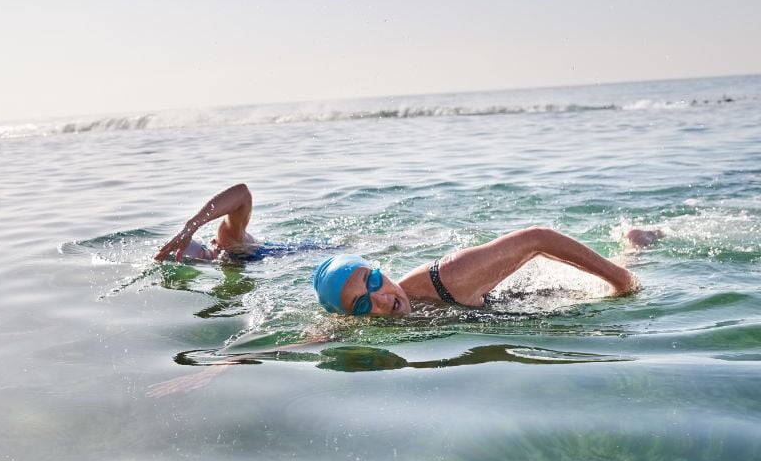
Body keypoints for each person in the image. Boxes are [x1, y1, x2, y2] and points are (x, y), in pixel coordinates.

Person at [155, 183, 661, 316]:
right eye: (361, 302)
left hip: (472, 290)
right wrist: (225, 365)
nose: (379, 299)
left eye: (373, 282)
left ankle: (631, 252)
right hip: (500, 303)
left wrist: (623, 282)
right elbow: (308, 340)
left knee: (600, 281)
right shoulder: (363, 311)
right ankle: (632, 248)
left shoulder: (230, 245)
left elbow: (538, 238)